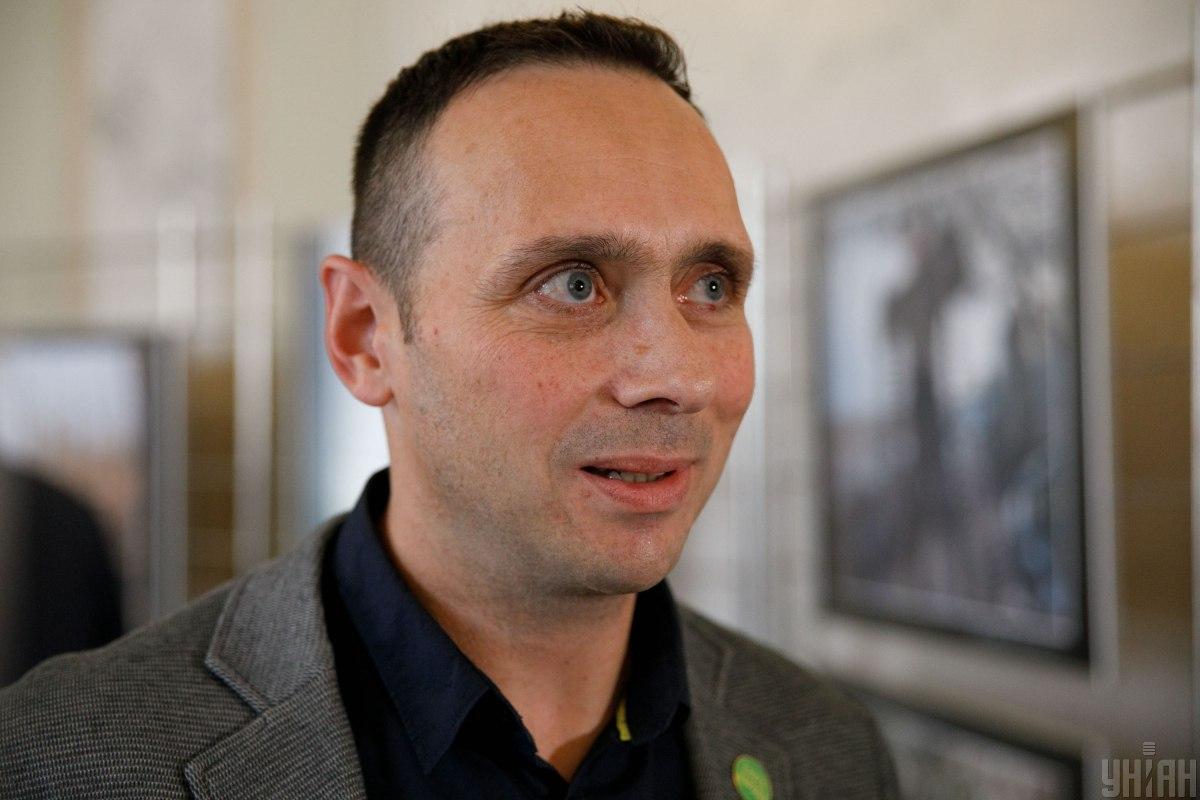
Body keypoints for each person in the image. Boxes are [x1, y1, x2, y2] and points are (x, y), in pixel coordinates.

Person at [0, 12, 897, 799]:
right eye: (573, 283)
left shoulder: (825, 747)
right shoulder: (64, 763)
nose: (679, 377)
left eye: (711, 286)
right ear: (364, 335)